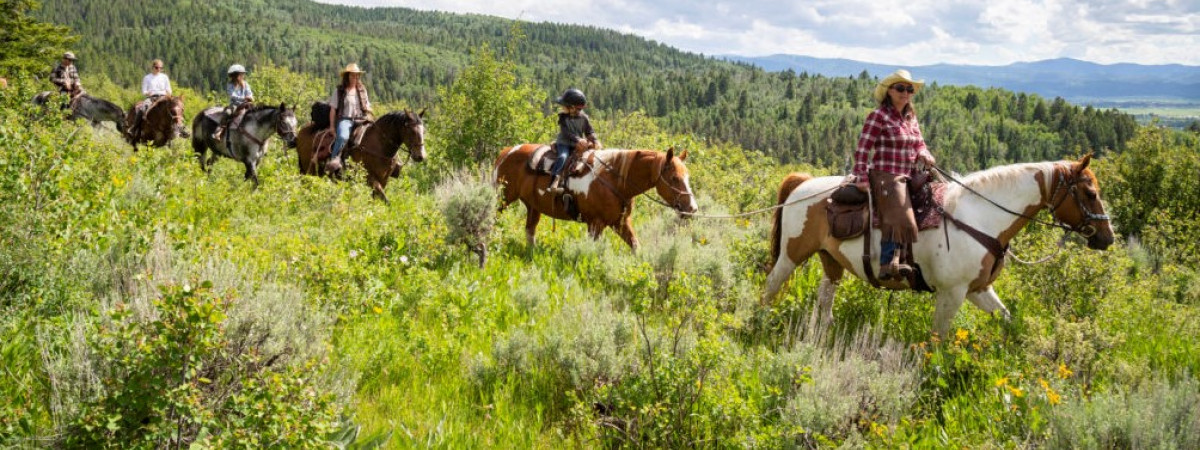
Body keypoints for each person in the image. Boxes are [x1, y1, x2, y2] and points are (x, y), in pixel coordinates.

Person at [849, 69, 936, 280]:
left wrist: (925, 153)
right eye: (900, 88)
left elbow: (919, 144)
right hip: (885, 174)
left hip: (909, 173)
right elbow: (863, 149)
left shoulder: (910, 118)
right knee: (899, 210)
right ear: (889, 91)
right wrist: (860, 177)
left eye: (909, 89)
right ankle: (888, 262)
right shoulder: (878, 116)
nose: (905, 93)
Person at [548, 88, 599, 194]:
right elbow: (566, 132)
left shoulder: (584, 118)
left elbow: (589, 131)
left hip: (577, 145)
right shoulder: (563, 117)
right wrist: (578, 139)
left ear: (572, 108)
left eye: (564, 106)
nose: (562, 107)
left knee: (590, 159)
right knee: (563, 157)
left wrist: (594, 139)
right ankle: (554, 180)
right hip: (564, 143)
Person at [325, 63, 373, 172]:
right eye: (352, 75)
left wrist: (369, 110)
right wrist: (332, 127)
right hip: (346, 119)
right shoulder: (340, 91)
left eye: (357, 76)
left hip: (362, 119)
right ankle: (334, 160)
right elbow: (333, 109)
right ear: (347, 76)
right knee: (342, 136)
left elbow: (367, 105)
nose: (355, 78)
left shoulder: (362, 90)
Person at [130, 59, 173, 137]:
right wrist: (147, 93)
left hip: (163, 97)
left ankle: (179, 129)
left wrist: (169, 94)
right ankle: (134, 128)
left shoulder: (164, 77)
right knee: (143, 108)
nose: (159, 69)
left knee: (175, 107)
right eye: (157, 67)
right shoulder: (147, 78)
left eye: (161, 68)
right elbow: (144, 91)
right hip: (151, 97)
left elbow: (169, 89)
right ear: (153, 67)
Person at [213, 64, 254, 142]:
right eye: (241, 74)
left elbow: (249, 93)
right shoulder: (230, 85)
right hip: (235, 105)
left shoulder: (245, 84)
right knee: (228, 113)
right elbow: (232, 96)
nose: (242, 76)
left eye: (242, 74)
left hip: (246, 104)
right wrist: (244, 98)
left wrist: (250, 97)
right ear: (235, 75)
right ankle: (218, 132)